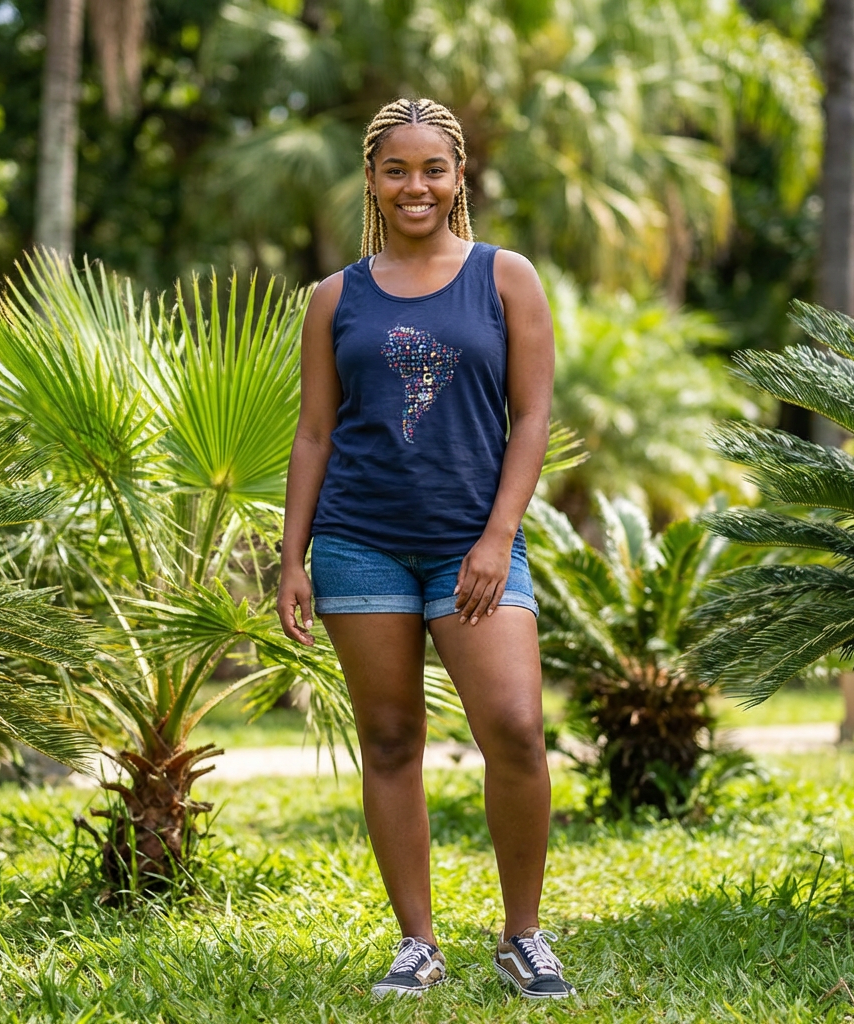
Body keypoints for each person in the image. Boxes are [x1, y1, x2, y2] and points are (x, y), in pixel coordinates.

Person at [277, 97, 573, 1002]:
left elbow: (532, 417)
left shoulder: (504, 277)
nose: (416, 185)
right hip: (359, 542)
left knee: (516, 731)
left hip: (469, 546)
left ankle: (523, 935)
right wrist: (291, 558)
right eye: (396, 169)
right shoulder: (337, 296)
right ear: (371, 180)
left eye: (433, 168)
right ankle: (418, 942)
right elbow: (315, 434)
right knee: (392, 737)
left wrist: (497, 537)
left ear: (458, 178)